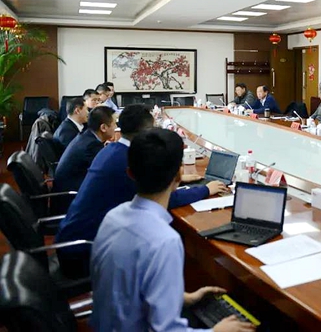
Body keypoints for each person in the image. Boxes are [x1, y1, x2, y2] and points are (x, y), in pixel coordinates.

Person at [90, 128, 253, 332]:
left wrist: (180, 298)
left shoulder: (112, 217)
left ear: (130, 173)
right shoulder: (164, 241)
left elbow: (125, 287)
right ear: (179, 175)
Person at [55, 104, 225, 279]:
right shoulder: (127, 160)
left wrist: (176, 179)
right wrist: (205, 189)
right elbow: (163, 198)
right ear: (146, 133)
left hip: (75, 239)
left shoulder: (113, 150)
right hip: (83, 253)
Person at [53, 106, 117, 198]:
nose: (116, 128)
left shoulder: (87, 136)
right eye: (114, 124)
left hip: (71, 187)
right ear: (103, 127)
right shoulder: (92, 145)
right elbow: (106, 171)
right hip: (72, 196)